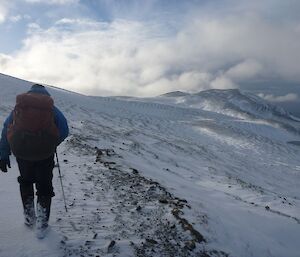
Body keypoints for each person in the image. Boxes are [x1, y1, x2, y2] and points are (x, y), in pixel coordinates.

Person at [0, 84, 68, 236]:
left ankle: (30, 218)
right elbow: (64, 129)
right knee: (44, 186)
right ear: (45, 93)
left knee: (26, 181)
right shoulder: (50, 108)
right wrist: (52, 143)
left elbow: (6, 128)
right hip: (45, 153)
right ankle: (42, 225)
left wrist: (4, 154)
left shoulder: (20, 106)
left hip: (22, 153)